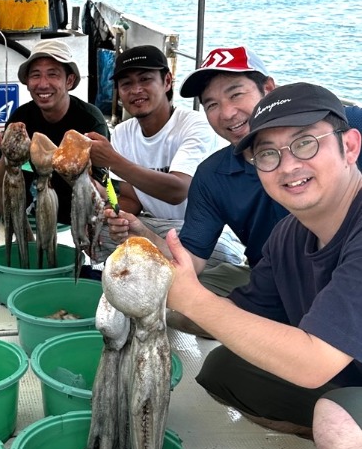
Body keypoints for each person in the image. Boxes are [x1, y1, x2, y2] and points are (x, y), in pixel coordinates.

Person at [165, 82, 362, 449]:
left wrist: (196, 299)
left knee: (338, 423)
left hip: (337, 372)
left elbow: (314, 361)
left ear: (349, 146)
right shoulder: (288, 237)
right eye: (268, 153)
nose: (287, 164)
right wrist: (154, 304)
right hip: (353, 373)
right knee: (228, 371)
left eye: (305, 143)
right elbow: (244, 318)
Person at [105, 47, 362, 333]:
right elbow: (190, 260)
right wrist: (143, 232)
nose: (227, 113)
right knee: (168, 302)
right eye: (211, 104)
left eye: (236, 94)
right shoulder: (214, 176)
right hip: (270, 283)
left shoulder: (343, 124)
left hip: (342, 277)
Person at [88, 44, 243, 267]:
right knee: (94, 232)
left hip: (205, 232)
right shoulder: (122, 132)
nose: (136, 90)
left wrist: (112, 160)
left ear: (167, 81)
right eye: (126, 84)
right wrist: (112, 216)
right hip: (157, 226)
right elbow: (132, 199)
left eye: (145, 79)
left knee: (217, 254)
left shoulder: (194, 124)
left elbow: (178, 190)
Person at [0, 39, 108, 225]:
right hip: (33, 207)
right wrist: (7, 157)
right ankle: (23, 233)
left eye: (53, 74)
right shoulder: (21, 118)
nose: (43, 84)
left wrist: (64, 164)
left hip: (76, 211)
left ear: (69, 80)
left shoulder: (90, 120)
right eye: (36, 75)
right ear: (28, 83)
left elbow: (102, 193)